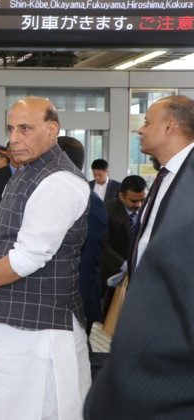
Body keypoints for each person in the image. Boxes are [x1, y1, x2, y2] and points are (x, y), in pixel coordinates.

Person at [0, 97, 91, 420]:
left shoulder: (60, 181)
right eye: (11, 128)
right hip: (9, 331)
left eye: (25, 129)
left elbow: (27, 257)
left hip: (41, 335)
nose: (13, 139)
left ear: (52, 129)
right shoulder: (22, 174)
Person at [85, 95, 194, 419]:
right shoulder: (164, 177)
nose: (140, 130)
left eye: (146, 122)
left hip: (173, 345)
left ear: (170, 126)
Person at [58, 136, 108, 338]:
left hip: (73, 301)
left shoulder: (88, 200)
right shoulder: (68, 194)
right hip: (62, 300)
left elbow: (87, 260)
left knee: (76, 359)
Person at [98, 175, 147, 299]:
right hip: (110, 274)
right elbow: (102, 245)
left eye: (143, 199)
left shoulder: (148, 209)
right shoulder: (106, 210)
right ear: (121, 196)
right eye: (134, 201)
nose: (139, 205)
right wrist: (123, 265)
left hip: (139, 274)